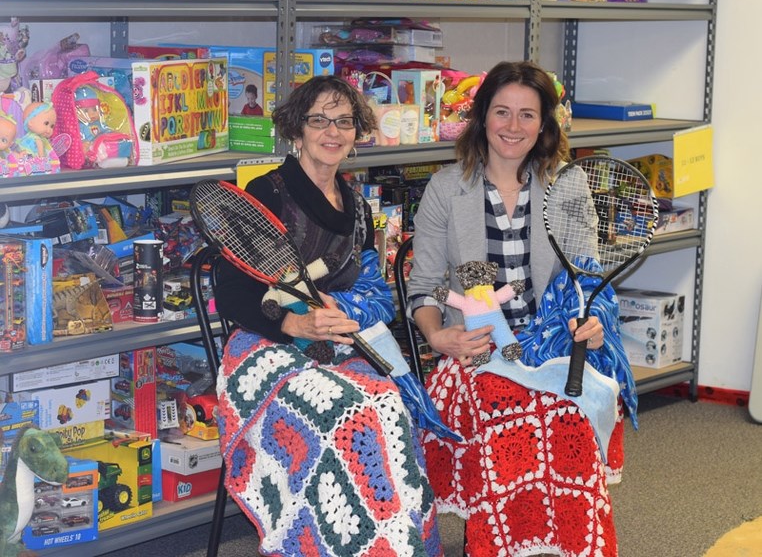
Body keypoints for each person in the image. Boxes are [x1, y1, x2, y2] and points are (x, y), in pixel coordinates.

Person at [406, 61, 632, 557]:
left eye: (527, 115)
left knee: (564, 411)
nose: (513, 127)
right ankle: (495, 545)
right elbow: (422, 289)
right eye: (502, 112)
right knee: (503, 407)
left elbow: (585, 279)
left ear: (545, 125)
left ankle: (561, 546)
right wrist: (438, 337)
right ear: (482, 116)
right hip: (476, 349)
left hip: (550, 347)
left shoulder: (565, 186)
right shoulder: (447, 188)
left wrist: (592, 324)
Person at [213, 75, 443, 557]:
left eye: (344, 121)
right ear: (297, 129)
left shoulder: (356, 204)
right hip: (266, 350)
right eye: (319, 120)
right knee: (351, 415)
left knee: (390, 405)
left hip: (336, 344)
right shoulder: (267, 193)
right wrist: (292, 323)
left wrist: (345, 312)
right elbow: (230, 293)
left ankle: (387, 541)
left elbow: (368, 288)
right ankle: (329, 541)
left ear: (357, 133)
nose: (332, 132)